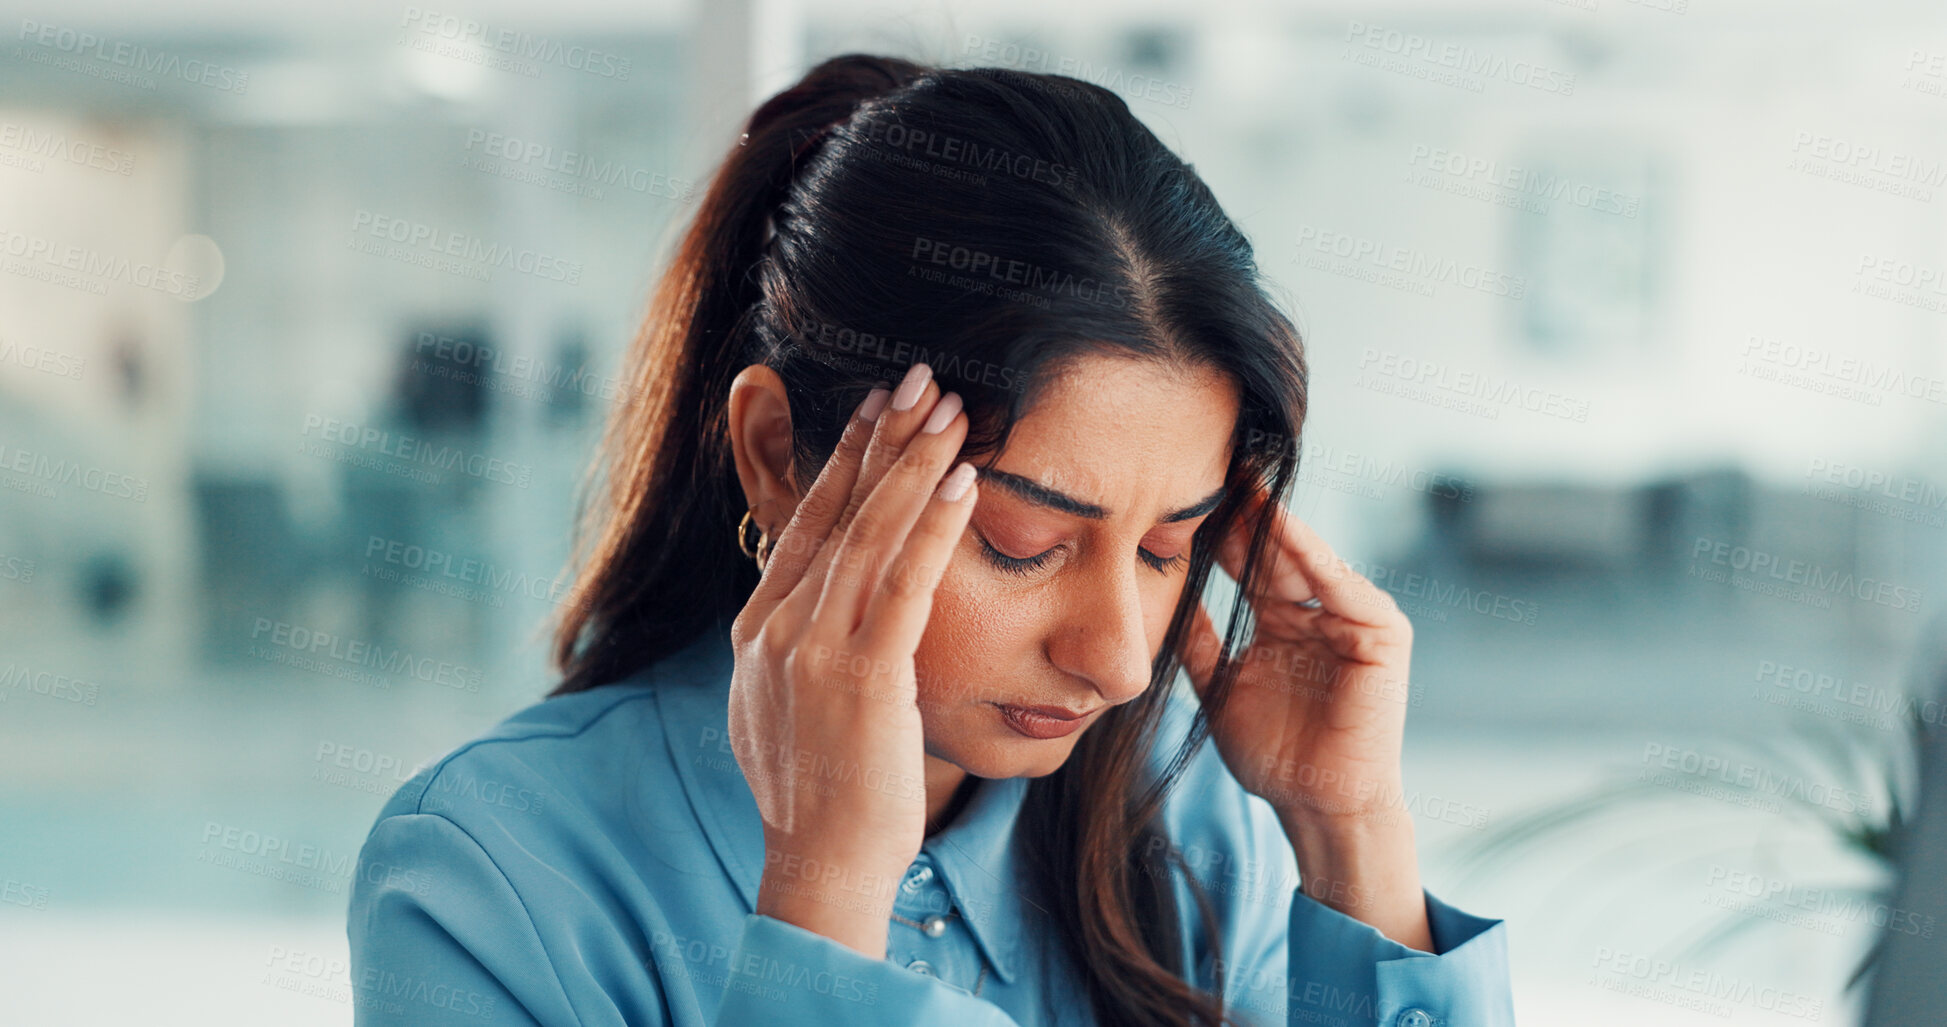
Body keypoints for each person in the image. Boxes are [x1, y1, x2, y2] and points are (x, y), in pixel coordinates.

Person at [347, 53, 1516, 1027]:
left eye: (1169, 550)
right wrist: (827, 892)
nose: (1117, 662)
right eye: (1021, 542)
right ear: (773, 455)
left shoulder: (1199, 823)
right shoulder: (490, 872)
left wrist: (1348, 831)